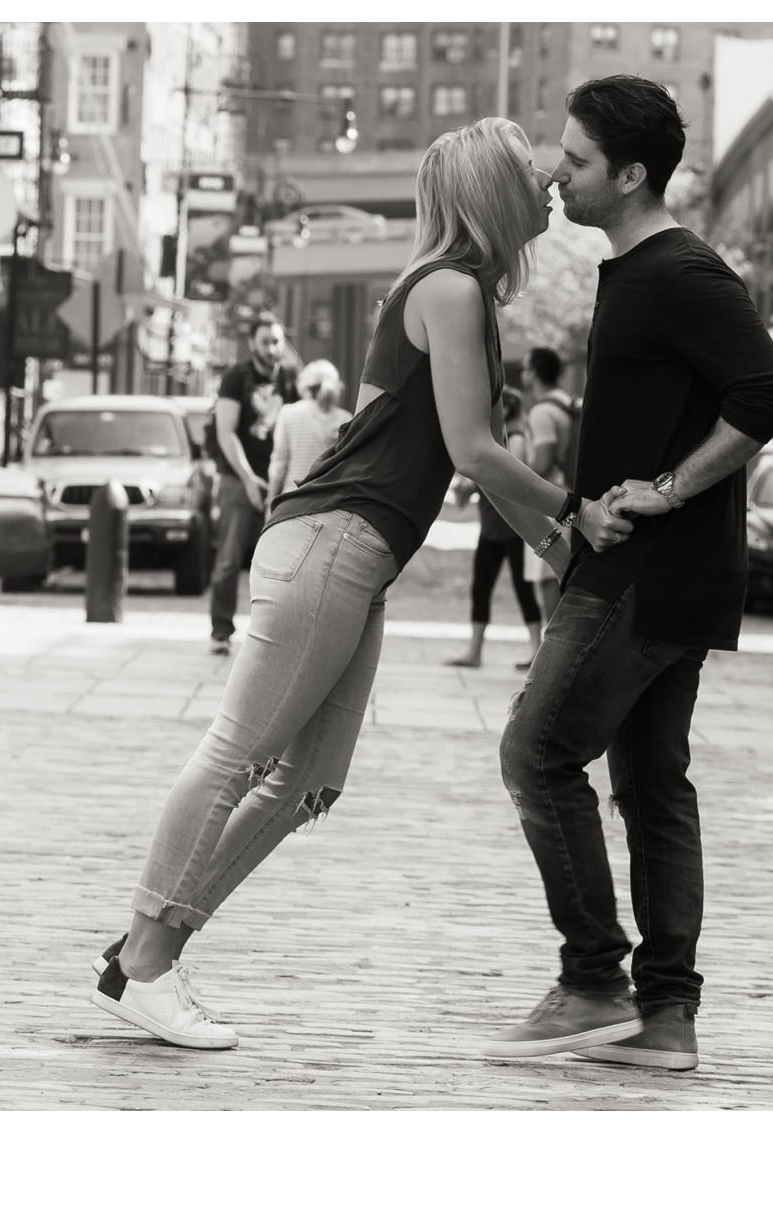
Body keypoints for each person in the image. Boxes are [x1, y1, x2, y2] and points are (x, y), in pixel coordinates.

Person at [90, 116, 635, 1050]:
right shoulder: (454, 288)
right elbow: (474, 450)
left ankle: (150, 949)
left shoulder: (450, 291)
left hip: (351, 553)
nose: (548, 181)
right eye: (530, 171)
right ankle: (146, 964)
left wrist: (560, 548)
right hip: (332, 543)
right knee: (237, 757)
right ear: (490, 191)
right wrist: (574, 514)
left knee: (309, 783)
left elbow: (447, 459)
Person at [481, 76, 773, 1071]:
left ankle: (590, 983)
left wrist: (663, 489)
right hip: (662, 578)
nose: (555, 172)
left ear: (628, 173)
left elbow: (767, 393)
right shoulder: (637, 271)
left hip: (645, 580)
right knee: (652, 787)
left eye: (573, 161)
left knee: (534, 756)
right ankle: (664, 1020)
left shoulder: (679, 273)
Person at [208, 315, 298, 656]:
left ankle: (273, 635)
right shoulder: (235, 378)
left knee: (281, 563)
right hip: (238, 478)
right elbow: (225, 432)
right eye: (265, 342)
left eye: (277, 341)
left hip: (280, 483)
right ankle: (220, 631)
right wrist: (247, 479)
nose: (272, 349)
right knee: (229, 559)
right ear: (252, 344)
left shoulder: (290, 380)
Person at [446, 386, 542, 669]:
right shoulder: (492, 442)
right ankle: (474, 652)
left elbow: (513, 478)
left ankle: (537, 652)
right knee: (481, 589)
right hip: (490, 528)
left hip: (514, 528)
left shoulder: (516, 438)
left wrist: (475, 482)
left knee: (523, 589)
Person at [521, 347, 577, 619]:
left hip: (550, 502)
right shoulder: (568, 403)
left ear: (533, 372)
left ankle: (552, 644)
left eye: (525, 368)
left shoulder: (542, 411)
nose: (523, 374)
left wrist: (514, 475)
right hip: (572, 496)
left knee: (548, 576)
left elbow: (543, 462)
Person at [267, 359, 351, 506]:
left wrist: (270, 499)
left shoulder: (288, 413)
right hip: (329, 503)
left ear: (304, 385)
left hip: (292, 500)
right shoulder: (346, 419)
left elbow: (279, 463)